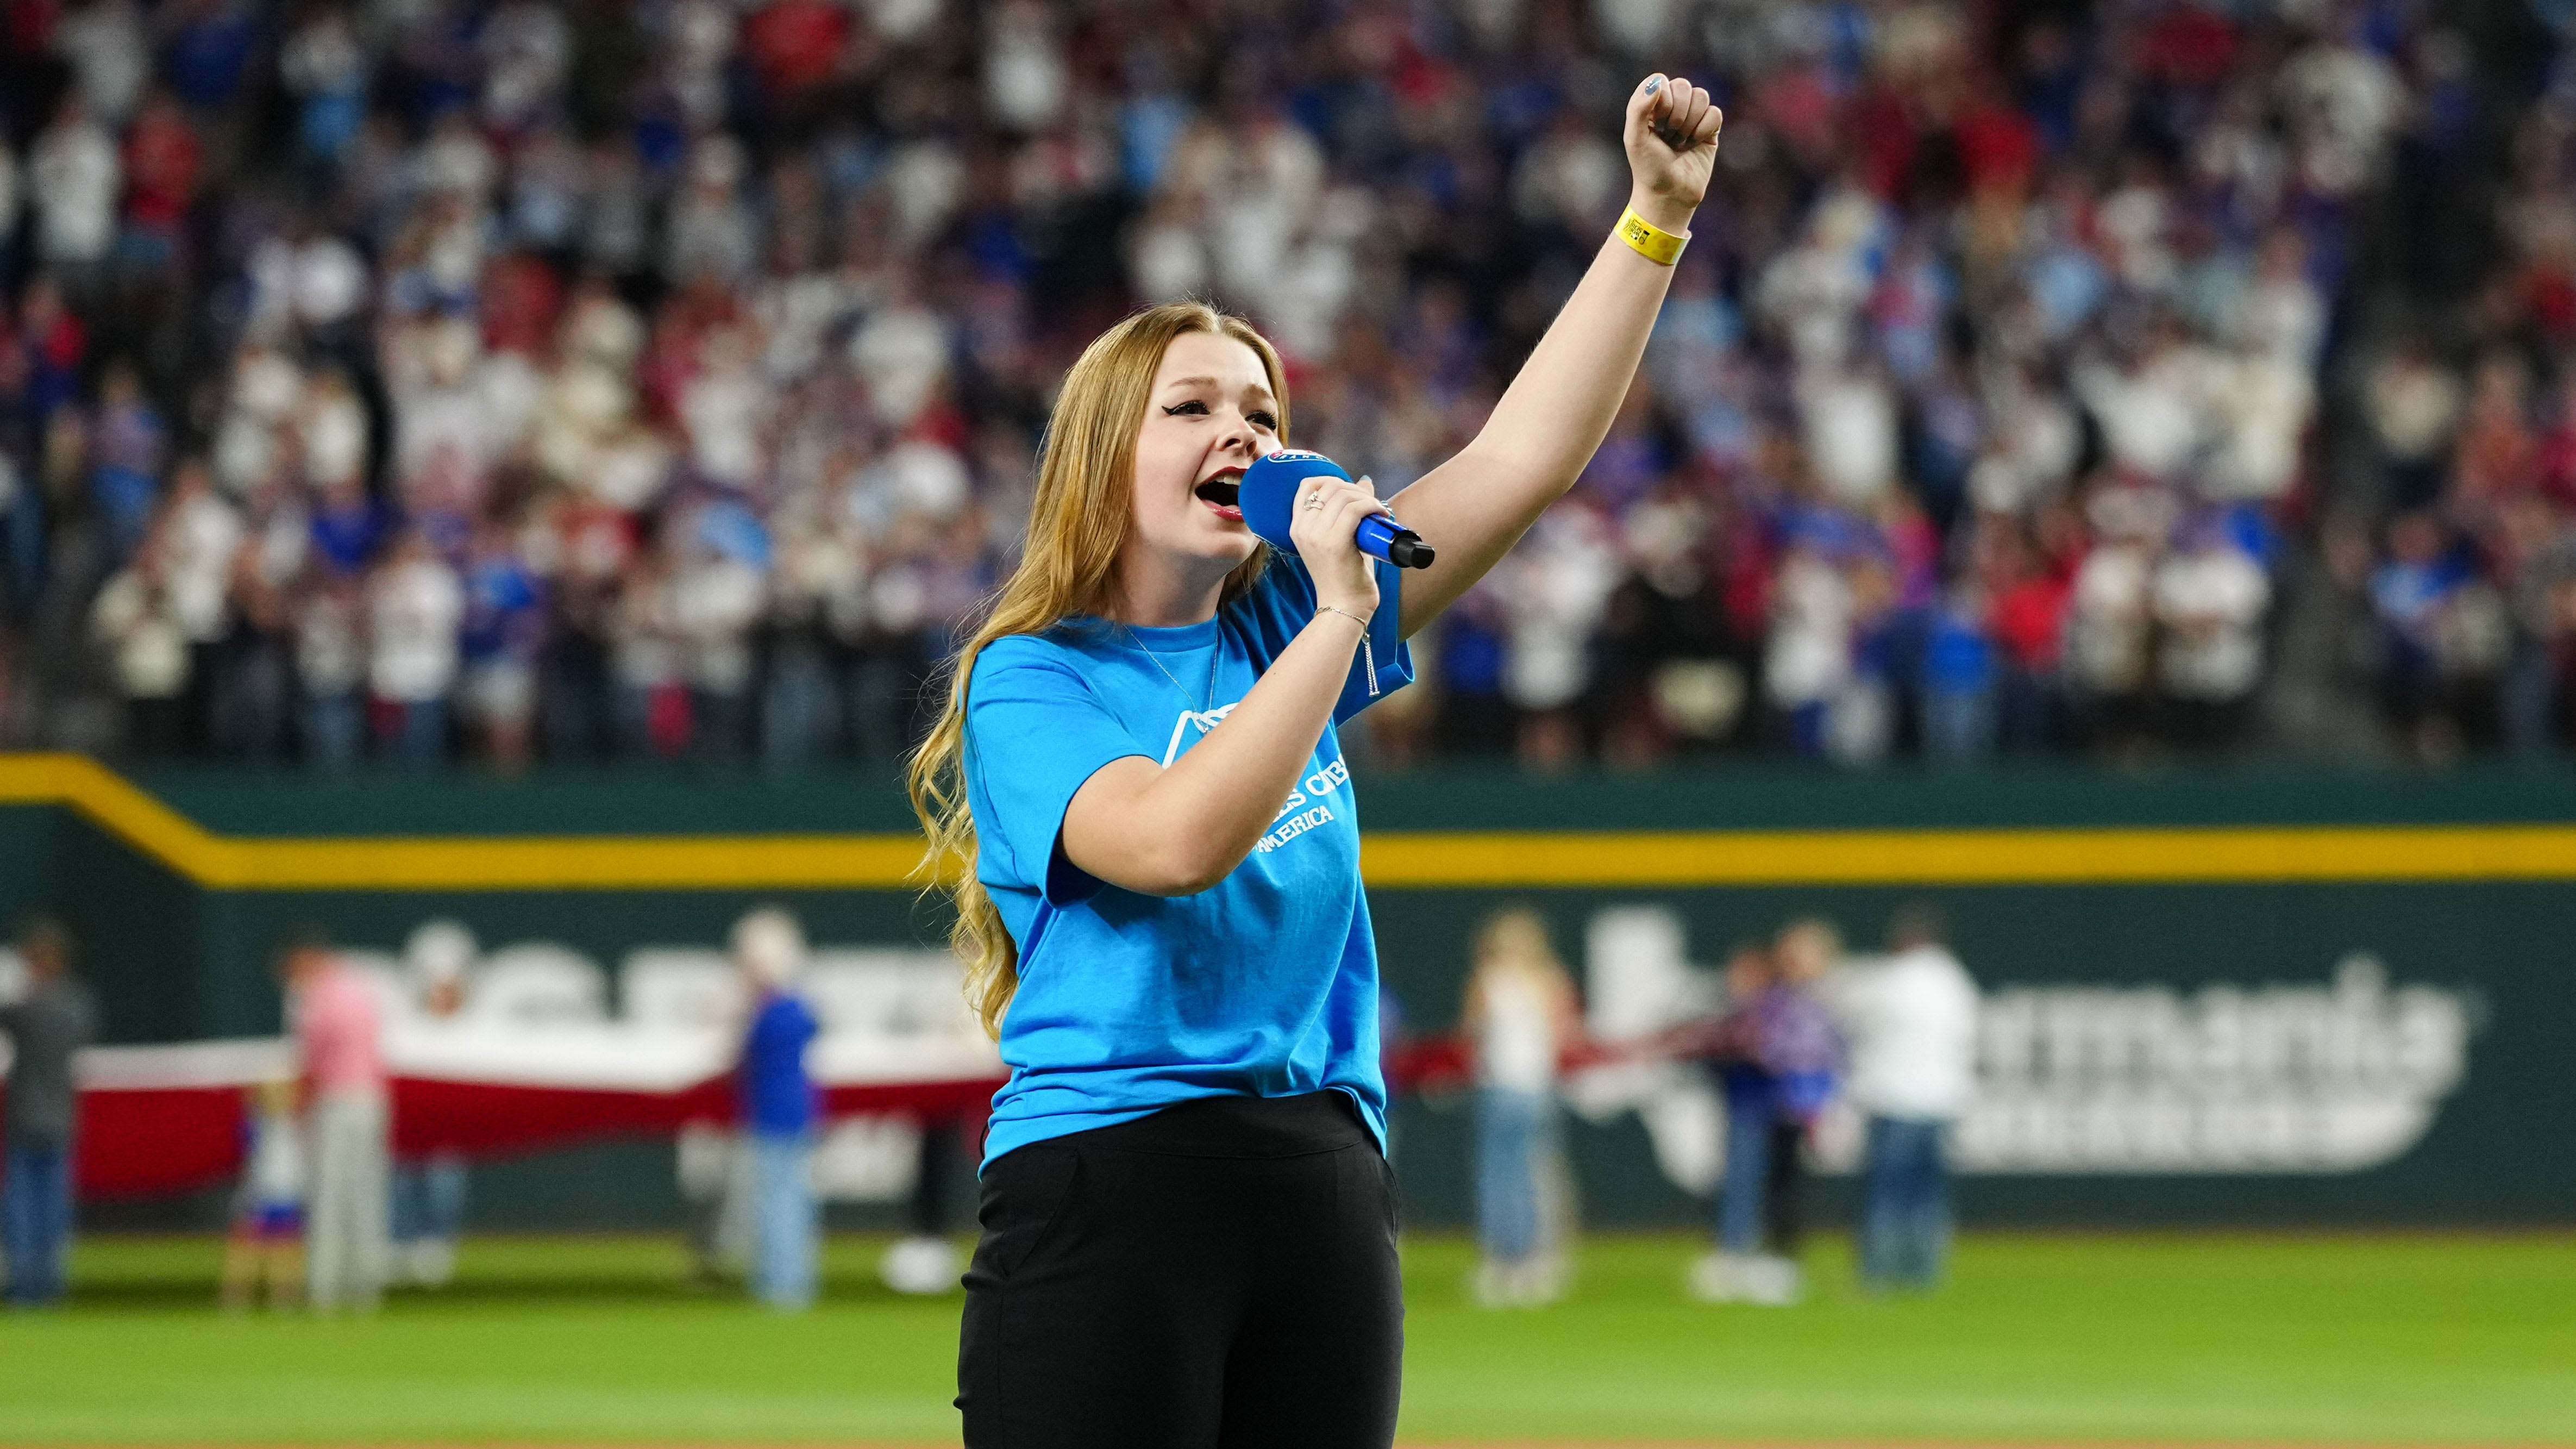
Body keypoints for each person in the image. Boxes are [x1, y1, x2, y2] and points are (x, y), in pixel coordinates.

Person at [910, 72, 1723, 1449]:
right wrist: (1343, 612)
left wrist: (1653, 218)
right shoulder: (1033, 675)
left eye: (1262, 407)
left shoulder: (1287, 617)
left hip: (1323, 1173)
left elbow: (1521, 457)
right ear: (1105, 449)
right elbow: (1171, 844)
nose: (1243, 429)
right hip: (1108, 1179)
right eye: (1193, 406)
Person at [1838, 904, 1979, 1292]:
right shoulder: (1955, 981)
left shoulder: (1892, 979)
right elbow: (1967, 1039)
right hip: (1939, 1102)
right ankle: (1924, 1271)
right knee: (1927, 1192)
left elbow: (1857, 1022)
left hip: (1894, 1100)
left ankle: (1877, 1271)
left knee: (1886, 1190)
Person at [1462, 908, 1580, 1308]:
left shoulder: (1497, 979)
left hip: (1513, 1088)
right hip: (1523, 1088)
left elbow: (1471, 1032)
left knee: (1511, 1175)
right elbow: (1564, 1035)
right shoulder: (1543, 979)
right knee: (1520, 1174)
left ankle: (1515, 1261)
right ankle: (1523, 1261)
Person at [283, 929, 390, 1313]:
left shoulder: (317, 996)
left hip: (336, 1101)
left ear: (308, 958)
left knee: (328, 1195)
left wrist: (299, 1101)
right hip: (371, 1099)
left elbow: (313, 1057)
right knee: (365, 1193)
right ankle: (366, 1288)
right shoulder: (361, 987)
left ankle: (323, 1290)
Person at [1, 919, 97, 1307]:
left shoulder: (24, 1008)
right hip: (60, 1116)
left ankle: (27, 1284)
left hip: (27, 1116)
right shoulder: (78, 1003)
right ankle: (49, 1282)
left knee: (23, 1203)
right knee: (52, 1204)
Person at [734, 907, 820, 1310]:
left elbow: (744, 1053)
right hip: (788, 1115)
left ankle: (785, 1284)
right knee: (784, 1199)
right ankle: (782, 1280)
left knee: (781, 1202)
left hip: (778, 1117)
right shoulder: (790, 1007)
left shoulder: (778, 1009)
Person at [390, 921, 474, 1287]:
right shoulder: (406, 1025)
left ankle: (435, 1247)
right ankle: (398, 1246)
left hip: (449, 1128)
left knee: (444, 1185)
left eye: (449, 988)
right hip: (409, 1128)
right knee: (401, 1184)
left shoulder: (475, 1028)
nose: (443, 994)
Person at [220, 1077, 308, 1312]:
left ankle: (285, 1300)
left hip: (288, 1195)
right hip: (260, 1196)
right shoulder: (256, 1125)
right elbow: (248, 1147)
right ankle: (235, 1300)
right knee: (246, 1249)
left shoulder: (296, 1124)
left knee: (287, 1249)